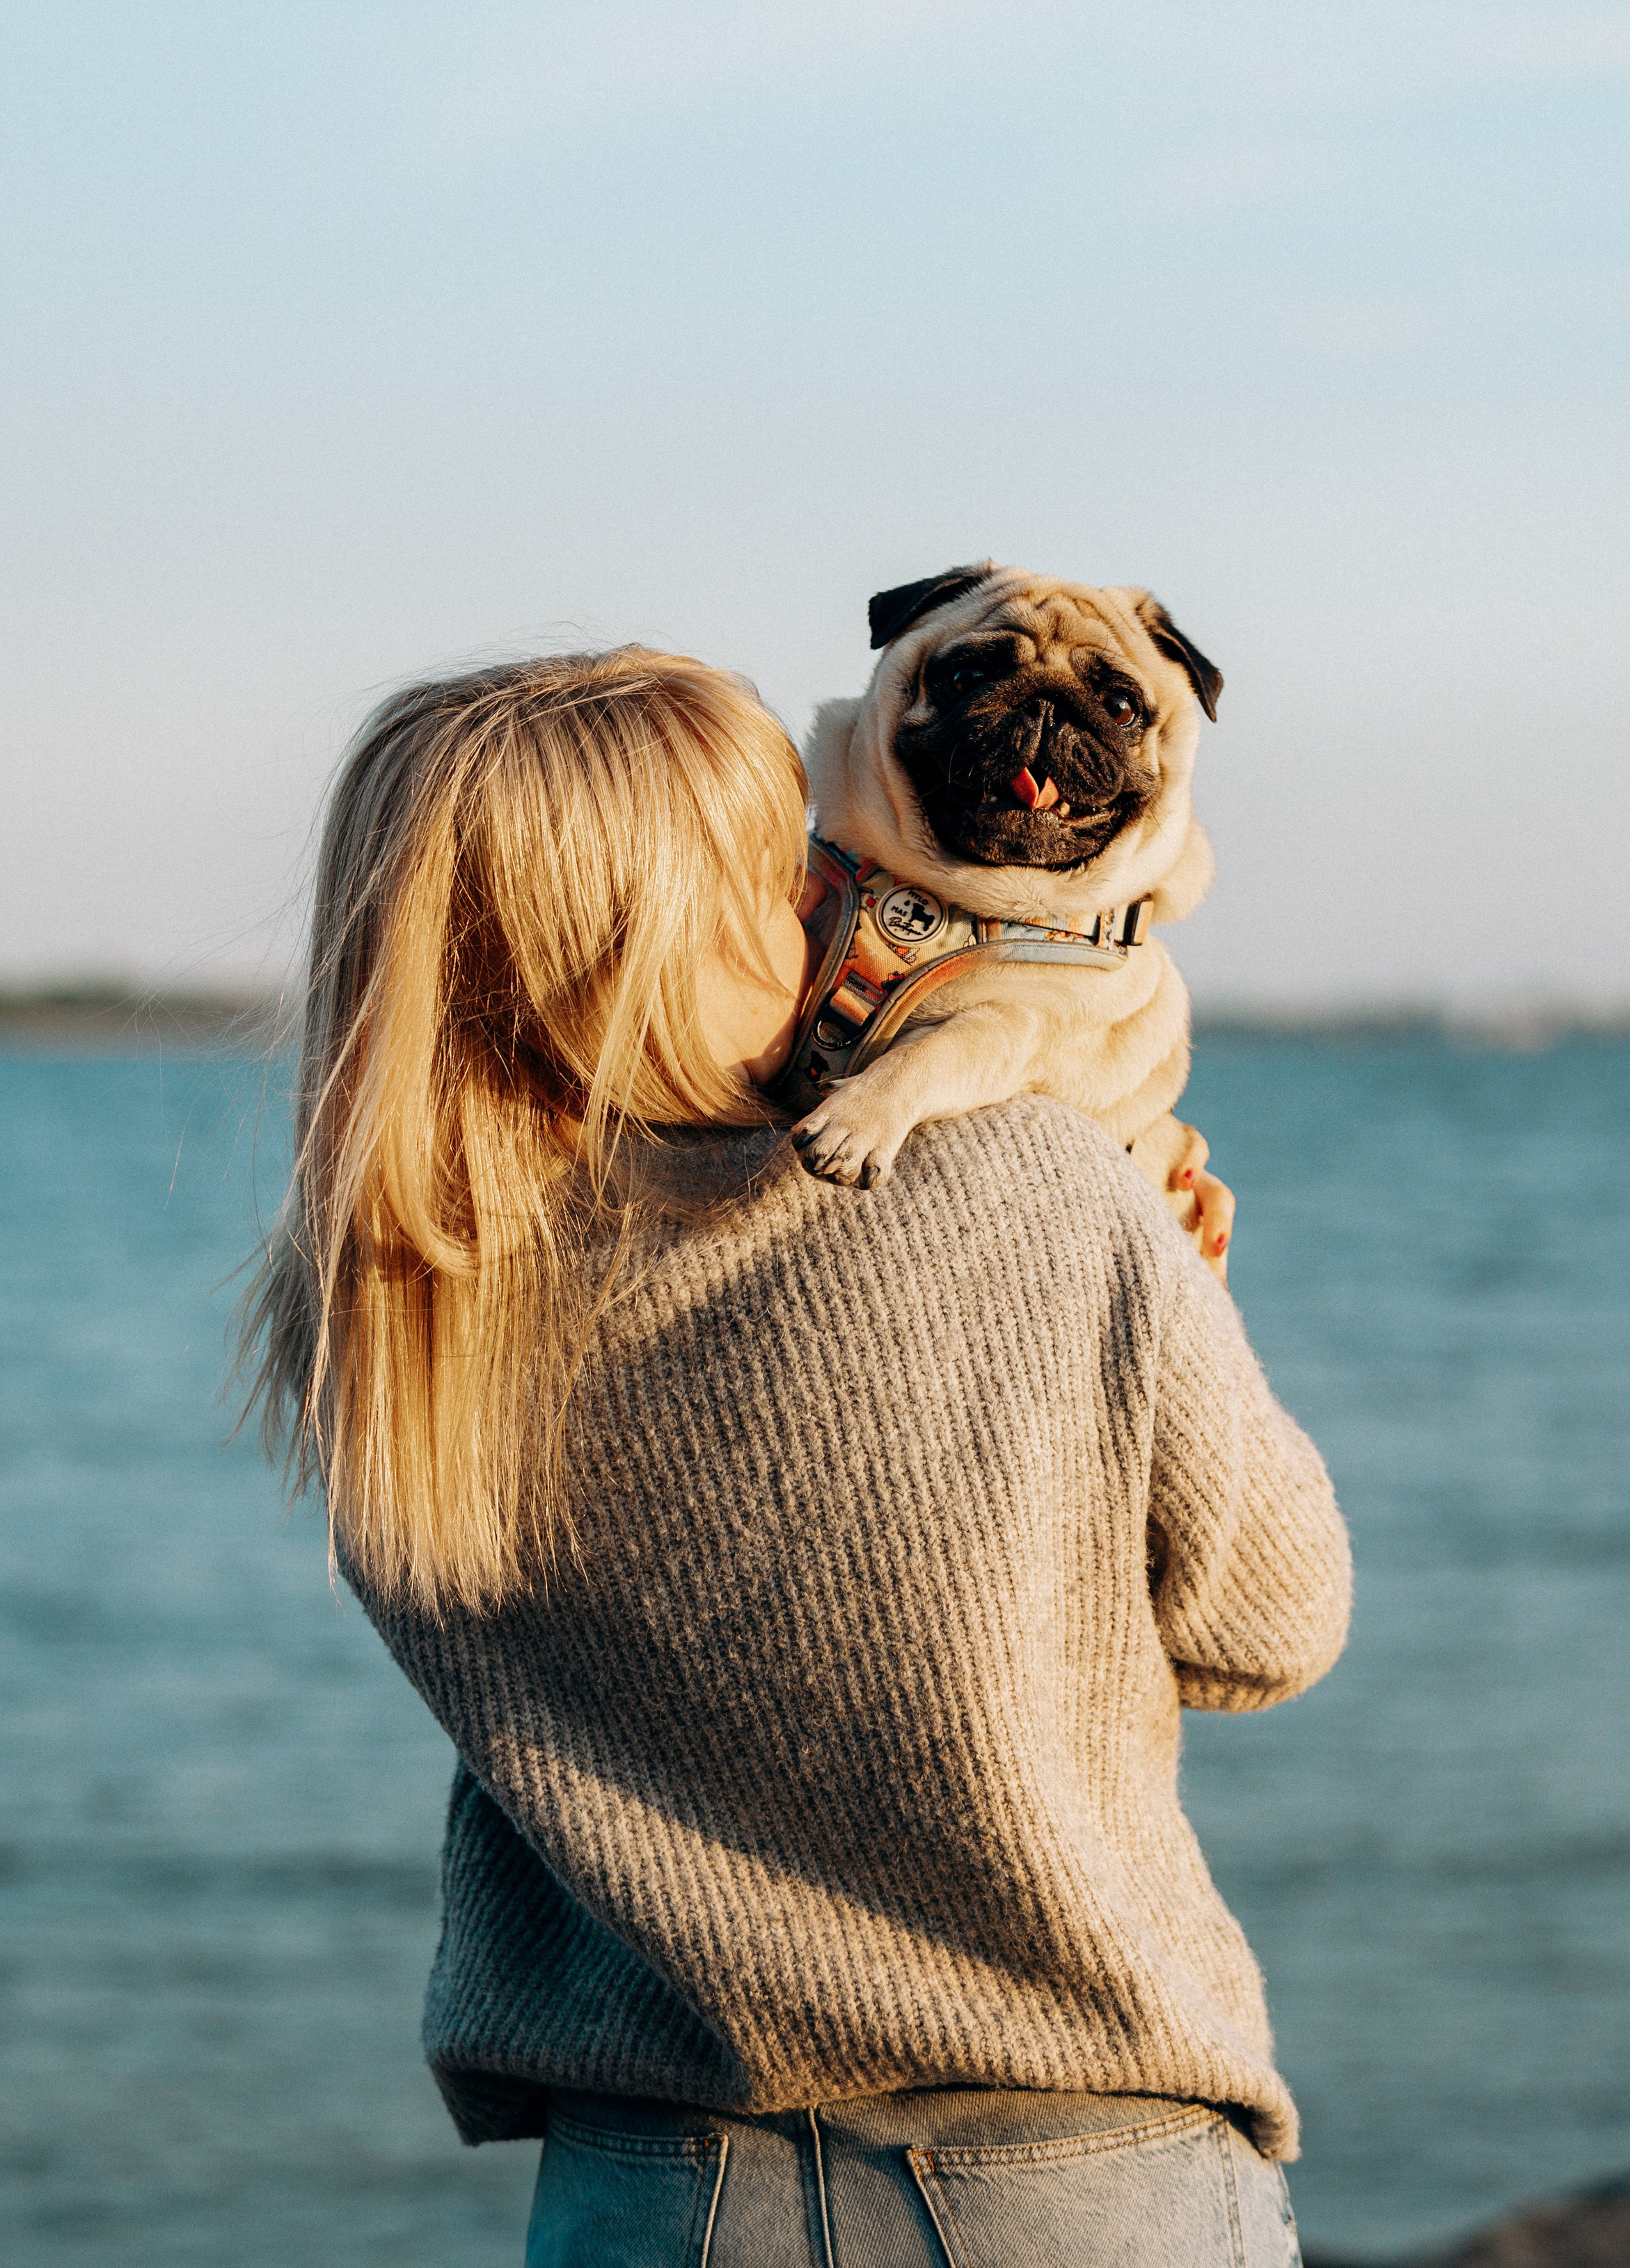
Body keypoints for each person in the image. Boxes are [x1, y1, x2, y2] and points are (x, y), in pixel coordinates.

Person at [239, 645, 1350, 2267]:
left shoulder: (399, 1324)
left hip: (652, 2193)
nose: (844, 908)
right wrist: (1167, 1298)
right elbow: (1271, 1626)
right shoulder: (1028, 1181)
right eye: (794, 872)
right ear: (669, 938)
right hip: (1063, 2173)